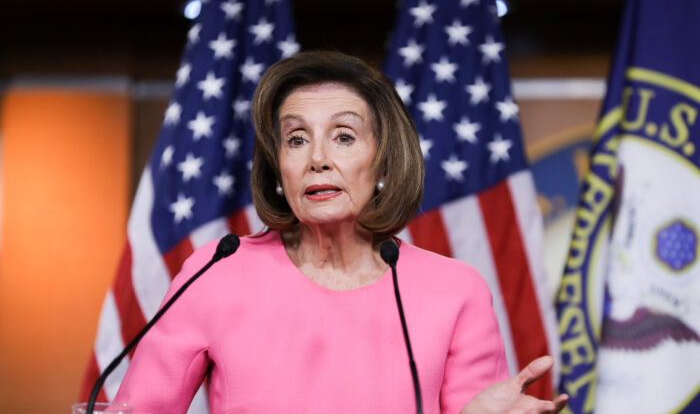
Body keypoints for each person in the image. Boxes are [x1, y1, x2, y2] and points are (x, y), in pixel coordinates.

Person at [114, 51, 568, 413]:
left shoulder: (455, 291)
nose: (317, 158)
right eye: (296, 139)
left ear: (385, 162)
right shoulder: (218, 271)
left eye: (344, 136)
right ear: (278, 168)